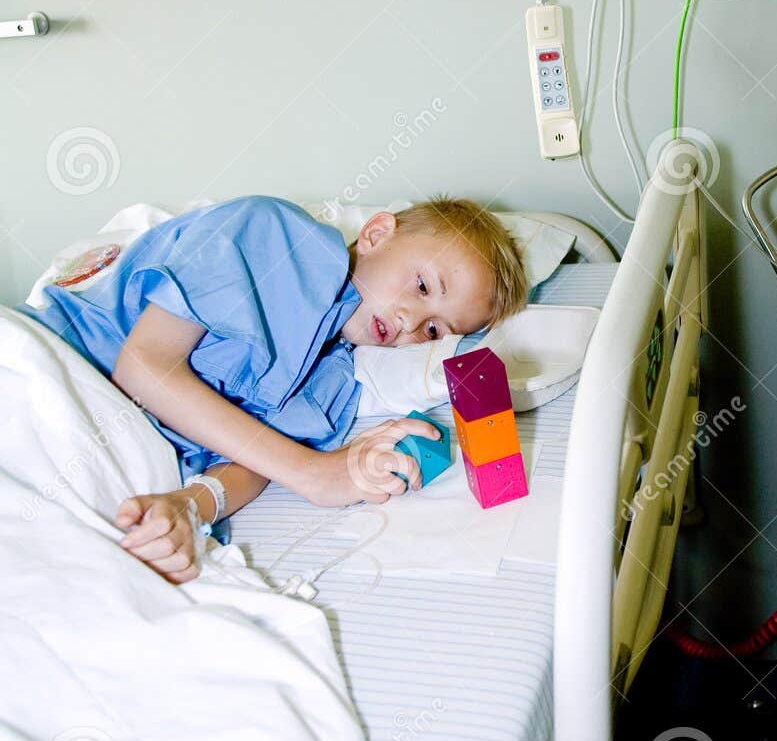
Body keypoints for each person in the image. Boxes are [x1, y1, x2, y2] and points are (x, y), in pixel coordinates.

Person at [20, 194, 527, 583]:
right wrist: (314, 474)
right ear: (376, 234)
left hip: (109, 451)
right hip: (44, 372)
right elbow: (143, 366)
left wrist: (189, 506)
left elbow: (252, 462)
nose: (409, 321)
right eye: (420, 286)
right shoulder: (274, 237)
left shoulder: (337, 379)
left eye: (435, 330)